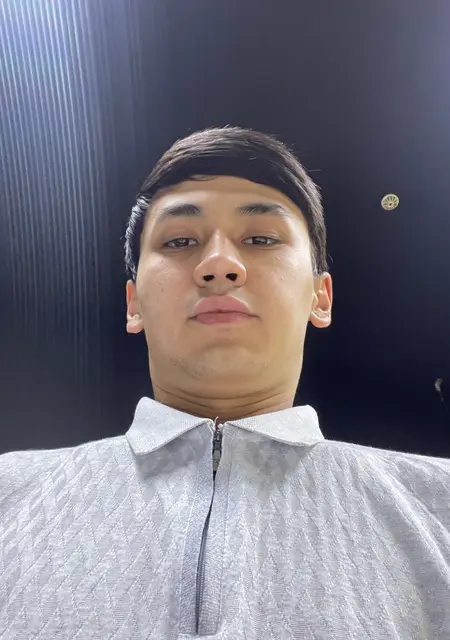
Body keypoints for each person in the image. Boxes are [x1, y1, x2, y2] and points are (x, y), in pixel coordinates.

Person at [1, 127, 449, 640]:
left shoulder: (438, 504)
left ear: (320, 297)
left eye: (260, 239)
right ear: (133, 303)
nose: (218, 265)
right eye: (179, 241)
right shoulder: (10, 492)